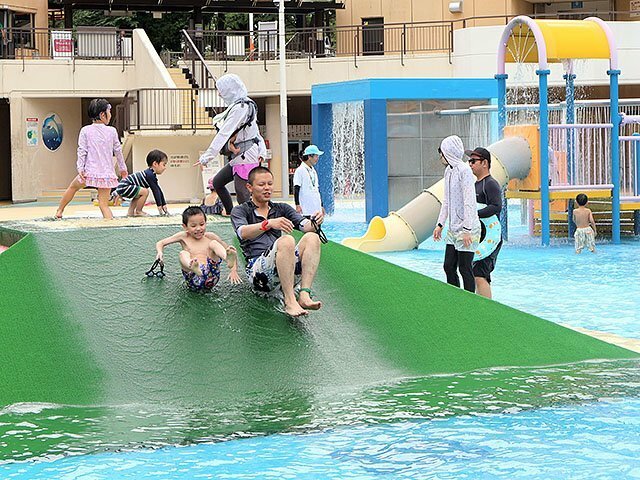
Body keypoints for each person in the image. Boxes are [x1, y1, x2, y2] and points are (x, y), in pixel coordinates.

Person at [230, 166, 324, 318]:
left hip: (284, 269)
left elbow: (304, 226)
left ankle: (304, 294)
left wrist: (315, 222)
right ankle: (290, 300)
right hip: (259, 275)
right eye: (261, 185)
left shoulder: (281, 208)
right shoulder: (241, 210)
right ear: (250, 187)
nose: (267, 188)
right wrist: (268, 223)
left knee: (312, 237)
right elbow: (242, 233)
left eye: (270, 184)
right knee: (286, 240)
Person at [196, 74, 267, 216]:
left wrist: (207, 156)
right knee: (218, 182)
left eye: (221, 90)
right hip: (240, 155)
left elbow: (224, 133)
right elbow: (255, 132)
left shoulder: (240, 107)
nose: (219, 94)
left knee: (243, 195)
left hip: (245, 155)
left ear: (230, 90)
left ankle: (250, 222)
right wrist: (262, 151)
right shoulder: (245, 105)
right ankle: (230, 212)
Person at [55, 99, 128, 219]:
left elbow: (82, 150)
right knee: (104, 205)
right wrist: (122, 169)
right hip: (106, 174)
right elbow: (118, 151)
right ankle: (110, 225)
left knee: (73, 188)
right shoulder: (112, 131)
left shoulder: (85, 130)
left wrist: (80, 168)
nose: (110, 114)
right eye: (109, 111)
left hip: (88, 173)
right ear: (102, 114)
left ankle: (60, 211)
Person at [432, 135, 481, 293]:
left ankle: (470, 303)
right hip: (453, 229)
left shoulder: (464, 171)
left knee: (465, 268)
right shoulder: (449, 171)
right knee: (448, 266)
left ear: (449, 152)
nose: (440, 156)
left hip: (468, 228)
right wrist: (440, 224)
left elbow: (469, 202)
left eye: (442, 152)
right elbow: (446, 201)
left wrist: (467, 230)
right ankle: (455, 298)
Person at [155, 206, 241, 292]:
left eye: (202, 224)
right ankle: (193, 266)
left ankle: (226, 258)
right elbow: (161, 243)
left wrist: (234, 270)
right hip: (192, 277)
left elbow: (230, 250)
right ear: (185, 226)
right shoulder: (183, 236)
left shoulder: (210, 236)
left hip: (211, 275)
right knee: (183, 253)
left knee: (214, 244)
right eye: (193, 226)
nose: (198, 228)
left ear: (205, 222)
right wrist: (160, 252)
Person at [467, 146, 503, 299]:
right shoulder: (475, 185)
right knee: (475, 273)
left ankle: (487, 310)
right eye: (469, 161)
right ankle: (480, 306)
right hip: (479, 235)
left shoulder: (490, 184)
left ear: (485, 163)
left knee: (480, 274)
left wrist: (475, 214)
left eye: (473, 161)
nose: (470, 164)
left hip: (491, 238)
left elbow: (496, 206)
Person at [114, 149, 169, 217]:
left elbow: (158, 190)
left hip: (123, 186)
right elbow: (155, 190)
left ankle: (130, 212)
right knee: (145, 192)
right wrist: (159, 206)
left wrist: (163, 204)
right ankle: (138, 211)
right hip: (124, 186)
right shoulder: (150, 175)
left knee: (139, 193)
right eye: (164, 164)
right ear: (155, 164)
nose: (165, 168)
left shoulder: (151, 174)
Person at [293, 145, 325, 218]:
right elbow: (296, 188)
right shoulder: (300, 170)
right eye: (316, 156)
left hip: (316, 208)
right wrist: (297, 205)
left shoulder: (313, 171)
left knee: (317, 227)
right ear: (310, 156)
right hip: (306, 209)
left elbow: (317, 190)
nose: (317, 158)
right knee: (309, 228)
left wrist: (321, 205)